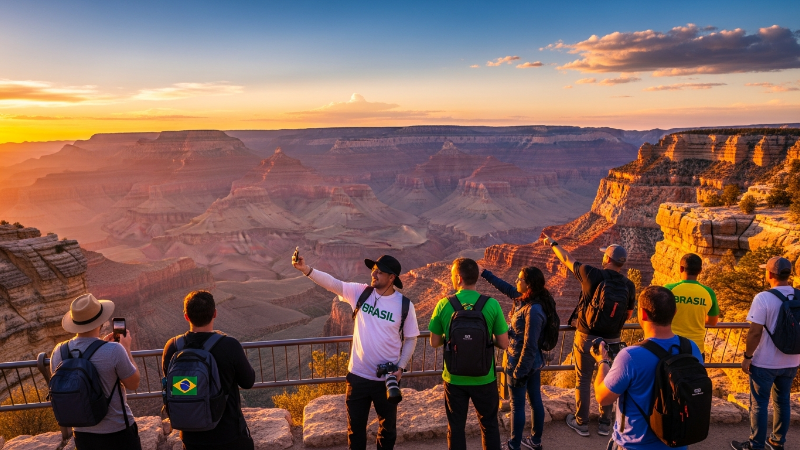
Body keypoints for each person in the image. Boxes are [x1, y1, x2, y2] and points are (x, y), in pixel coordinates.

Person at [292, 253, 419, 450]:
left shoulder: (404, 305)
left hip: (387, 379)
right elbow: (332, 283)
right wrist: (306, 270)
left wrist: (401, 367)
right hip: (358, 377)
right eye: (373, 270)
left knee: (388, 431)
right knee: (355, 430)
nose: (374, 274)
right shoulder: (361, 292)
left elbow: (411, 338)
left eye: (379, 271)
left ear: (392, 277)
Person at [541, 233, 635, 437]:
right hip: (613, 339)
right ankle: (604, 423)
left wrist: (552, 243)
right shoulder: (629, 285)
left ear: (607, 259)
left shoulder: (590, 273)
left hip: (586, 336)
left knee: (583, 378)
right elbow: (628, 314)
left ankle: (581, 422)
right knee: (610, 378)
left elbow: (566, 258)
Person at [592, 286, 703, 450]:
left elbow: (603, 398)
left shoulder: (630, 356)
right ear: (674, 312)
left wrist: (602, 362)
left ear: (643, 314)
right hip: (677, 443)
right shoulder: (691, 348)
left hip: (634, 445)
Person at [429, 258, 509, 450]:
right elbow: (504, 343)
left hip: (454, 378)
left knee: (456, 427)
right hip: (484, 378)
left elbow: (434, 342)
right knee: (489, 425)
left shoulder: (443, 304)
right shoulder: (492, 304)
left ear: (458, 278)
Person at [162, 291, 256, 450]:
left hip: (192, 437)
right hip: (229, 434)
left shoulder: (173, 346)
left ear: (186, 316)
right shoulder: (229, 345)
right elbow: (248, 382)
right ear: (215, 314)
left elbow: (172, 384)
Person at [50, 293, 142, 450]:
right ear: (101, 321)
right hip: (118, 431)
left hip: (82, 434)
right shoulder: (115, 350)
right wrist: (126, 348)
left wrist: (102, 346)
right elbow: (134, 383)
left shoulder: (59, 350)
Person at [481, 265, 555, 450]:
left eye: (520, 279)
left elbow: (530, 344)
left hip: (521, 362)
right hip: (533, 362)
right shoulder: (528, 300)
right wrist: (484, 272)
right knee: (534, 400)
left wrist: (519, 371)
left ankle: (515, 445)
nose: (516, 281)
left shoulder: (534, 310)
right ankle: (534, 442)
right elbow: (505, 287)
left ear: (528, 284)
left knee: (518, 405)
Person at [731, 257, 800, 450]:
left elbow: (755, 332)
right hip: (792, 360)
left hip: (764, 363)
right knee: (783, 402)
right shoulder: (799, 296)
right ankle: (777, 442)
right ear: (789, 273)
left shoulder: (763, 298)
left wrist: (747, 357)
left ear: (769, 274)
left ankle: (756, 445)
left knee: (760, 404)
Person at [664, 253, 720, 356]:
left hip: (670, 347)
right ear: (700, 271)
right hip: (696, 349)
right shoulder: (709, 292)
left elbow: (659, 316)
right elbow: (713, 322)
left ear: (681, 268)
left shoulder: (668, 289)